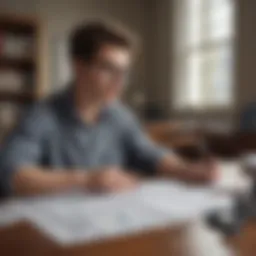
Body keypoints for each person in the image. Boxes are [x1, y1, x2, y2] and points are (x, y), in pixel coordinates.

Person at [0, 21, 216, 197]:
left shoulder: (120, 115)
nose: (120, 81)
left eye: (124, 71)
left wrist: (185, 169)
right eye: (108, 68)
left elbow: (149, 153)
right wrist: (86, 179)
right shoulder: (42, 115)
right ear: (78, 67)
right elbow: (11, 173)